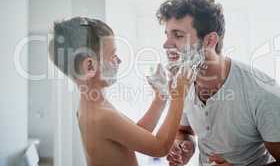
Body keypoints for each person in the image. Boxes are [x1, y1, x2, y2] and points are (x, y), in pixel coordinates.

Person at [157, 0, 280, 166]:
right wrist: (184, 144)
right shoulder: (182, 82)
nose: (166, 45)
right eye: (167, 35)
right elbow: (184, 129)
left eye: (178, 35)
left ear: (210, 41)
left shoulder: (263, 91)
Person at [48, 17, 192, 166]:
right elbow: (160, 147)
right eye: (113, 56)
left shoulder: (94, 106)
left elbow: (135, 133)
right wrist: (179, 95)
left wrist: (160, 98)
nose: (119, 61)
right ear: (90, 66)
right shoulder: (101, 116)